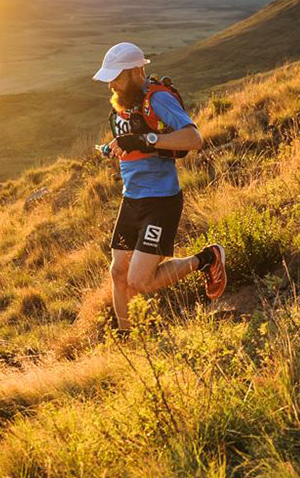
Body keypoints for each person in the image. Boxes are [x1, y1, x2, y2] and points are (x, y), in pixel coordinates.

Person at [92, 41, 226, 332]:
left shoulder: (159, 99)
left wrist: (147, 141)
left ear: (137, 71)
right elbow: (135, 145)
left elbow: (194, 139)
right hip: (132, 199)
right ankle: (126, 340)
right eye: (110, 78)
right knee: (117, 272)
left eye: (117, 77)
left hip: (161, 201)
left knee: (140, 281)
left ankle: (207, 258)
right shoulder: (124, 104)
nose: (112, 84)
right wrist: (116, 150)